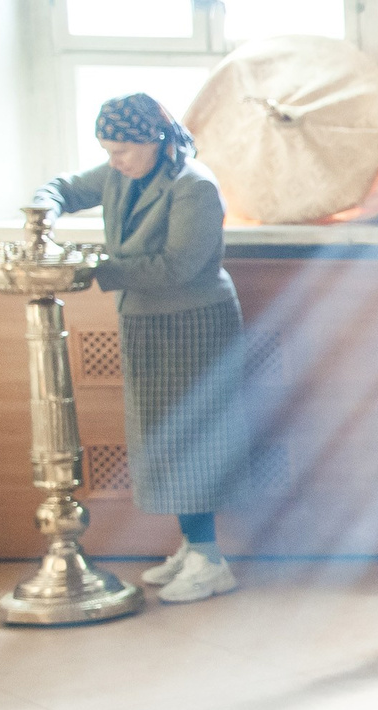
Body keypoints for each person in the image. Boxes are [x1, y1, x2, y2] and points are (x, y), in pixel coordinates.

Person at [28, 94, 248, 603]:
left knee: (194, 440)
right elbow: (63, 187)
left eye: (122, 150)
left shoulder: (195, 187)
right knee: (163, 440)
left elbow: (178, 268)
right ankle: (193, 547)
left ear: (154, 141)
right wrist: (44, 207)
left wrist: (91, 269)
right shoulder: (120, 175)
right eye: (107, 150)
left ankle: (211, 560)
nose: (113, 160)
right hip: (147, 321)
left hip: (193, 323)